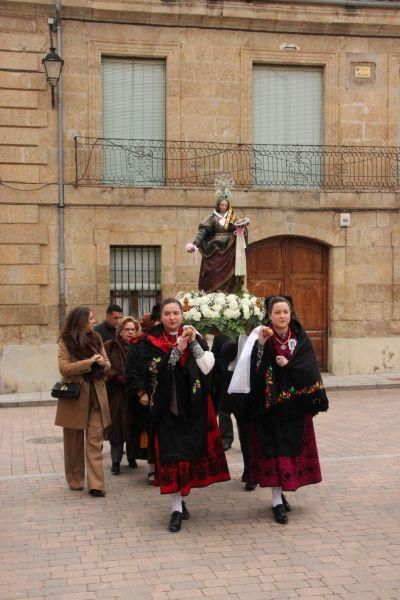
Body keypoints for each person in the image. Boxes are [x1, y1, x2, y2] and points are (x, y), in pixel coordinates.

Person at [125, 298, 230, 532]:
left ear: (182, 316)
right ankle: (175, 508)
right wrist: (174, 353)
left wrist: (192, 344)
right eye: (167, 313)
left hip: (193, 409)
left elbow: (207, 368)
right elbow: (149, 368)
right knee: (171, 458)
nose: (172, 318)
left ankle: (182, 500)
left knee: (188, 456)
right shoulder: (148, 342)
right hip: (165, 409)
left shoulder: (195, 336)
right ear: (160, 317)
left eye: (176, 313)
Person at [229, 295, 328, 524]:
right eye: (277, 312)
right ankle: (275, 501)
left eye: (285, 312)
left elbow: (308, 366)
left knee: (290, 451)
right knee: (275, 453)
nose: (282, 316)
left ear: (291, 313)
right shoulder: (260, 336)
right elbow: (252, 367)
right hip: (270, 407)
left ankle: (282, 494)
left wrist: (290, 365)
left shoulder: (300, 337)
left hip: (295, 407)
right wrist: (262, 346)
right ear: (269, 315)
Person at [55, 305, 111, 497]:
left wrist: (103, 363)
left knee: (95, 440)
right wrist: (89, 363)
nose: (94, 322)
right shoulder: (66, 341)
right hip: (75, 397)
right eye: (90, 319)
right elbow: (64, 369)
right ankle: (75, 478)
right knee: (73, 443)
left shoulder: (96, 338)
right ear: (81, 321)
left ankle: (96, 484)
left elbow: (107, 361)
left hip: (96, 396)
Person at [185, 185, 248, 293]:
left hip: (229, 248)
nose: (223, 206)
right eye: (221, 204)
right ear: (218, 205)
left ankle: (229, 291)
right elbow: (203, 231)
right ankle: (213, 290)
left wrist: (242, 227)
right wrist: (195, 244)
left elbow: (238, 228)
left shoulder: (232, 217)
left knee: (230, 273)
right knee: (212, 271)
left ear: (228, 205)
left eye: (225, 205)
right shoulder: (212, 218)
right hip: (214, 248)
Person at [104, 317, 144, 475]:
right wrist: (116, 376)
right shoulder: (110, 346)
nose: (130, 332)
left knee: (134, 428)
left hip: (135, 394)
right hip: (117, 395)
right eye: (127, 329)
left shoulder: (140, 347)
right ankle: (115, 462)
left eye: (133, 329)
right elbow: (105, 368)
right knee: (117, 430)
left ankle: (132, 457)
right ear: (120, 331)